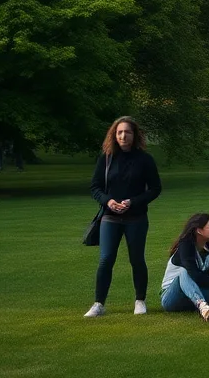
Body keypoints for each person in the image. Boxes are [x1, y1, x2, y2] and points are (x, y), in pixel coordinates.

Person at [86, 116, 162, 317]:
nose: (123, 136)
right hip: (110, 218)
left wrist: (133, 202)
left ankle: (140, 300)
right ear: (114, 134)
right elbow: (95, 187)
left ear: (134, 134)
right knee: (106, 260)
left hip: (136, 218)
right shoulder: (107, 157)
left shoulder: (145, 160)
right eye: (119, 132)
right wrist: (108, 201)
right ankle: (99, 304)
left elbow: (155, 189)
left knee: (136, 259)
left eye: (127, 132)